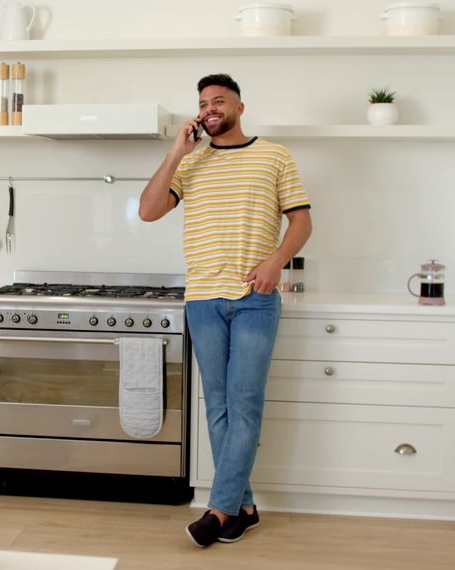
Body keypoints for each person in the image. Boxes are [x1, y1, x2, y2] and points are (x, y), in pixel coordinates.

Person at [138, 73, 312, 547]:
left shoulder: (274, 155)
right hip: (202, 299)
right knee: (217, 405)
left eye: (219, 100)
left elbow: (301, 220)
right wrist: (177, 152)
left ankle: (218, 510)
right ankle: (245, 507)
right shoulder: (190, 165)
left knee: (244, 403)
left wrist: (276, 261)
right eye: (202, 102)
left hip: (255, 298)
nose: (210, 107)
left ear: (239, 106)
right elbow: (148, 211)